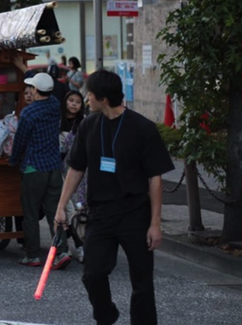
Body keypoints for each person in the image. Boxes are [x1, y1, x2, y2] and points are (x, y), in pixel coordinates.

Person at [55, 70, 174, 325]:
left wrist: (155, 223)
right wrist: (61, 206)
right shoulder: (88, 125)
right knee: (93, 274)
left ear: (103, 98)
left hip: (135, 212)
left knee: (142, 282)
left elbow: (155, 178)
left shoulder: (142, 128)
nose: (87, 98)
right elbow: (76, 167)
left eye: (89, 94)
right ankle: (106, 316)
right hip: (100, 213)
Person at [8, 73, 70, 269]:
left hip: (34, 167)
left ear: (35, 90)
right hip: (53, 166)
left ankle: (33, 255)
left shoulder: (28, 113)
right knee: (54, 212)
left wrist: (13, 160)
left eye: (32, 88)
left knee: (31, 214)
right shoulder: (54, 105)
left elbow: (20, 141)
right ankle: (61, 252)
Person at [59, 90, 86, 263]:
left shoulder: (84, 123)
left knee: (80, 209)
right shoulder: (57, 122)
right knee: (67, 209)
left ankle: (82, 244)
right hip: (61, 170)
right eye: (71, 100)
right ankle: (72, 245)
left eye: (78, 101)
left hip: (82, 171)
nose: (74, 104)